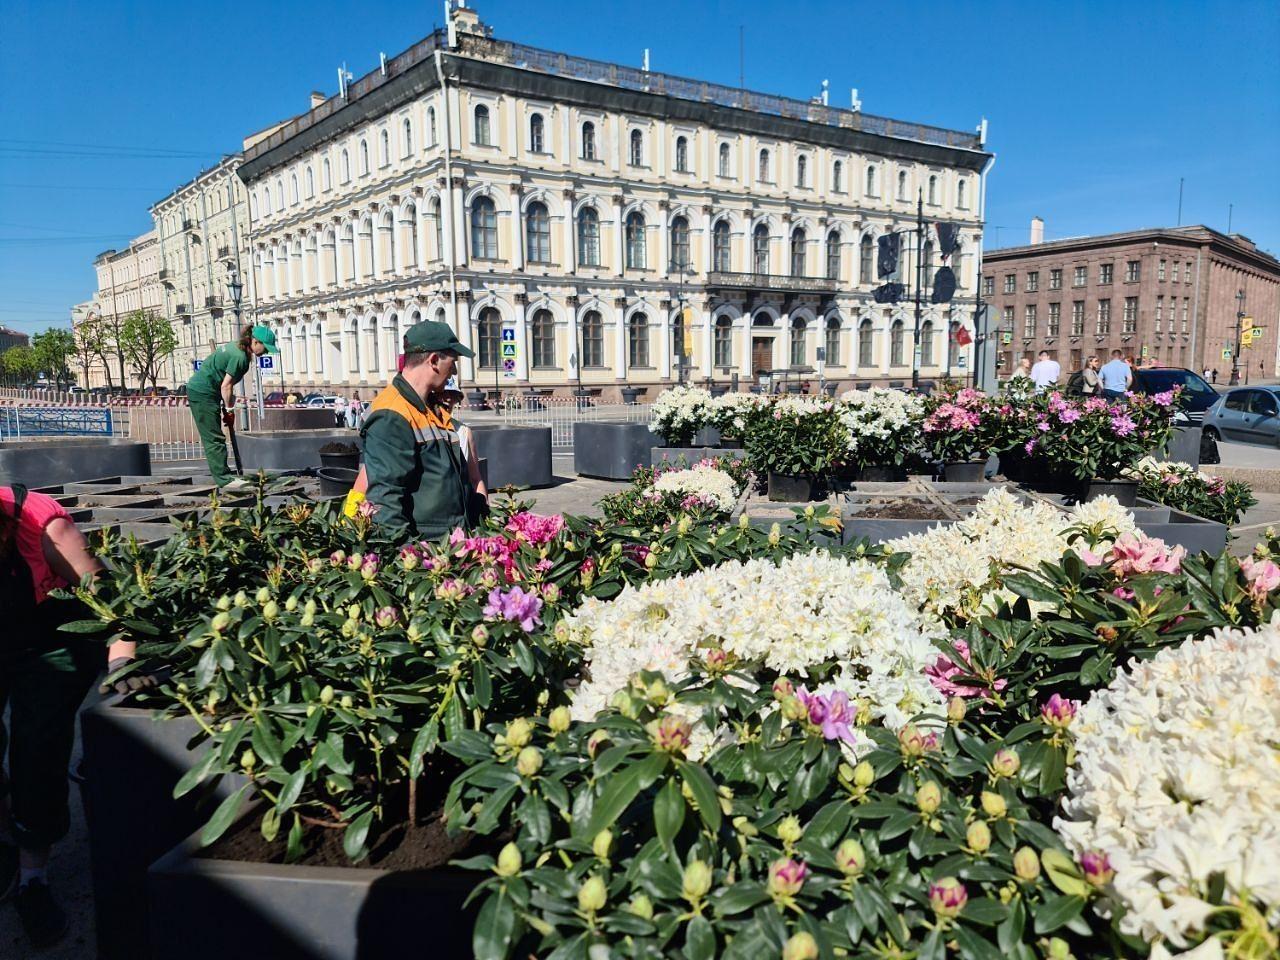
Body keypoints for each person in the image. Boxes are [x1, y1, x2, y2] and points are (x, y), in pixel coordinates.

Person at [0, 485, 144, 947]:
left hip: (50, 636)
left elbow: (111, 607)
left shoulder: (40, 524)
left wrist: (123, 661)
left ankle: (32, 876)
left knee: (37, 746)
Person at [360, 321, 476, 540]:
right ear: (433, 361)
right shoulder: (391, 414)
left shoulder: (428, 406)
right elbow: (386, 499)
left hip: (447, 545)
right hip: (427, 552)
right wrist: (407, 559)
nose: (454, 371)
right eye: (452, 362)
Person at [186, 325, 277, 489]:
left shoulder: (237, 348)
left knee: (215, 437)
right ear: (255, 342)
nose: (266, 352)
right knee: (214, 438)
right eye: (265, 348)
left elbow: (225, 384)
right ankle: (224, 479)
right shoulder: (240, 357)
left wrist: (229, 406)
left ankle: (225, 475)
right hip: (203, 392)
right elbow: (226, 386)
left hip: (207, 390)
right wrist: (229, 410)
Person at [440, 386, 489, 513]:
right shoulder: (420, 428)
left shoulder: (464, 431)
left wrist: (484, 511)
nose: (449, 398)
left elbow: (475, 479)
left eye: (453, 394)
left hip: (462, 512)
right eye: (443, 393)